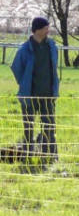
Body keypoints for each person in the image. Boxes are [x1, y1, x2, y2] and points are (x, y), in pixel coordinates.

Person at [10, 17, 60, 164]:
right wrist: (25, 83)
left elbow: (54, 67)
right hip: (29, 96)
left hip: (48, 95)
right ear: (37, 30)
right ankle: (26, 156)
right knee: (28, 128)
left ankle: (49, 157)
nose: (48, 31)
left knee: (49, 127)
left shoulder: (52, 46)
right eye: (45, 28)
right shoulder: (24, 49)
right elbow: (16, 68)